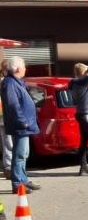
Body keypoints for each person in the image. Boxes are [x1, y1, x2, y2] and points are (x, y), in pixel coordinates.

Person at [0, 56, 41, 192]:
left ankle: (23, 179)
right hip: (21, 125)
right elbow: (13, 104)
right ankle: (17, 184)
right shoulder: (10, 83)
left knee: (24, 154)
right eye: (23, 65)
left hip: (26, 124)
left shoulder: (17, 82)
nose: (25, 68)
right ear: (17, 68)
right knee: (19, 154)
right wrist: (22, 120)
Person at [0, 58, 12, 180]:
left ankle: (9, 167)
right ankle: (8, 167)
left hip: (5, 117)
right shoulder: (4, 82)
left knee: (7, 143)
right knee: (8, 143)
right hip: (4, 117)